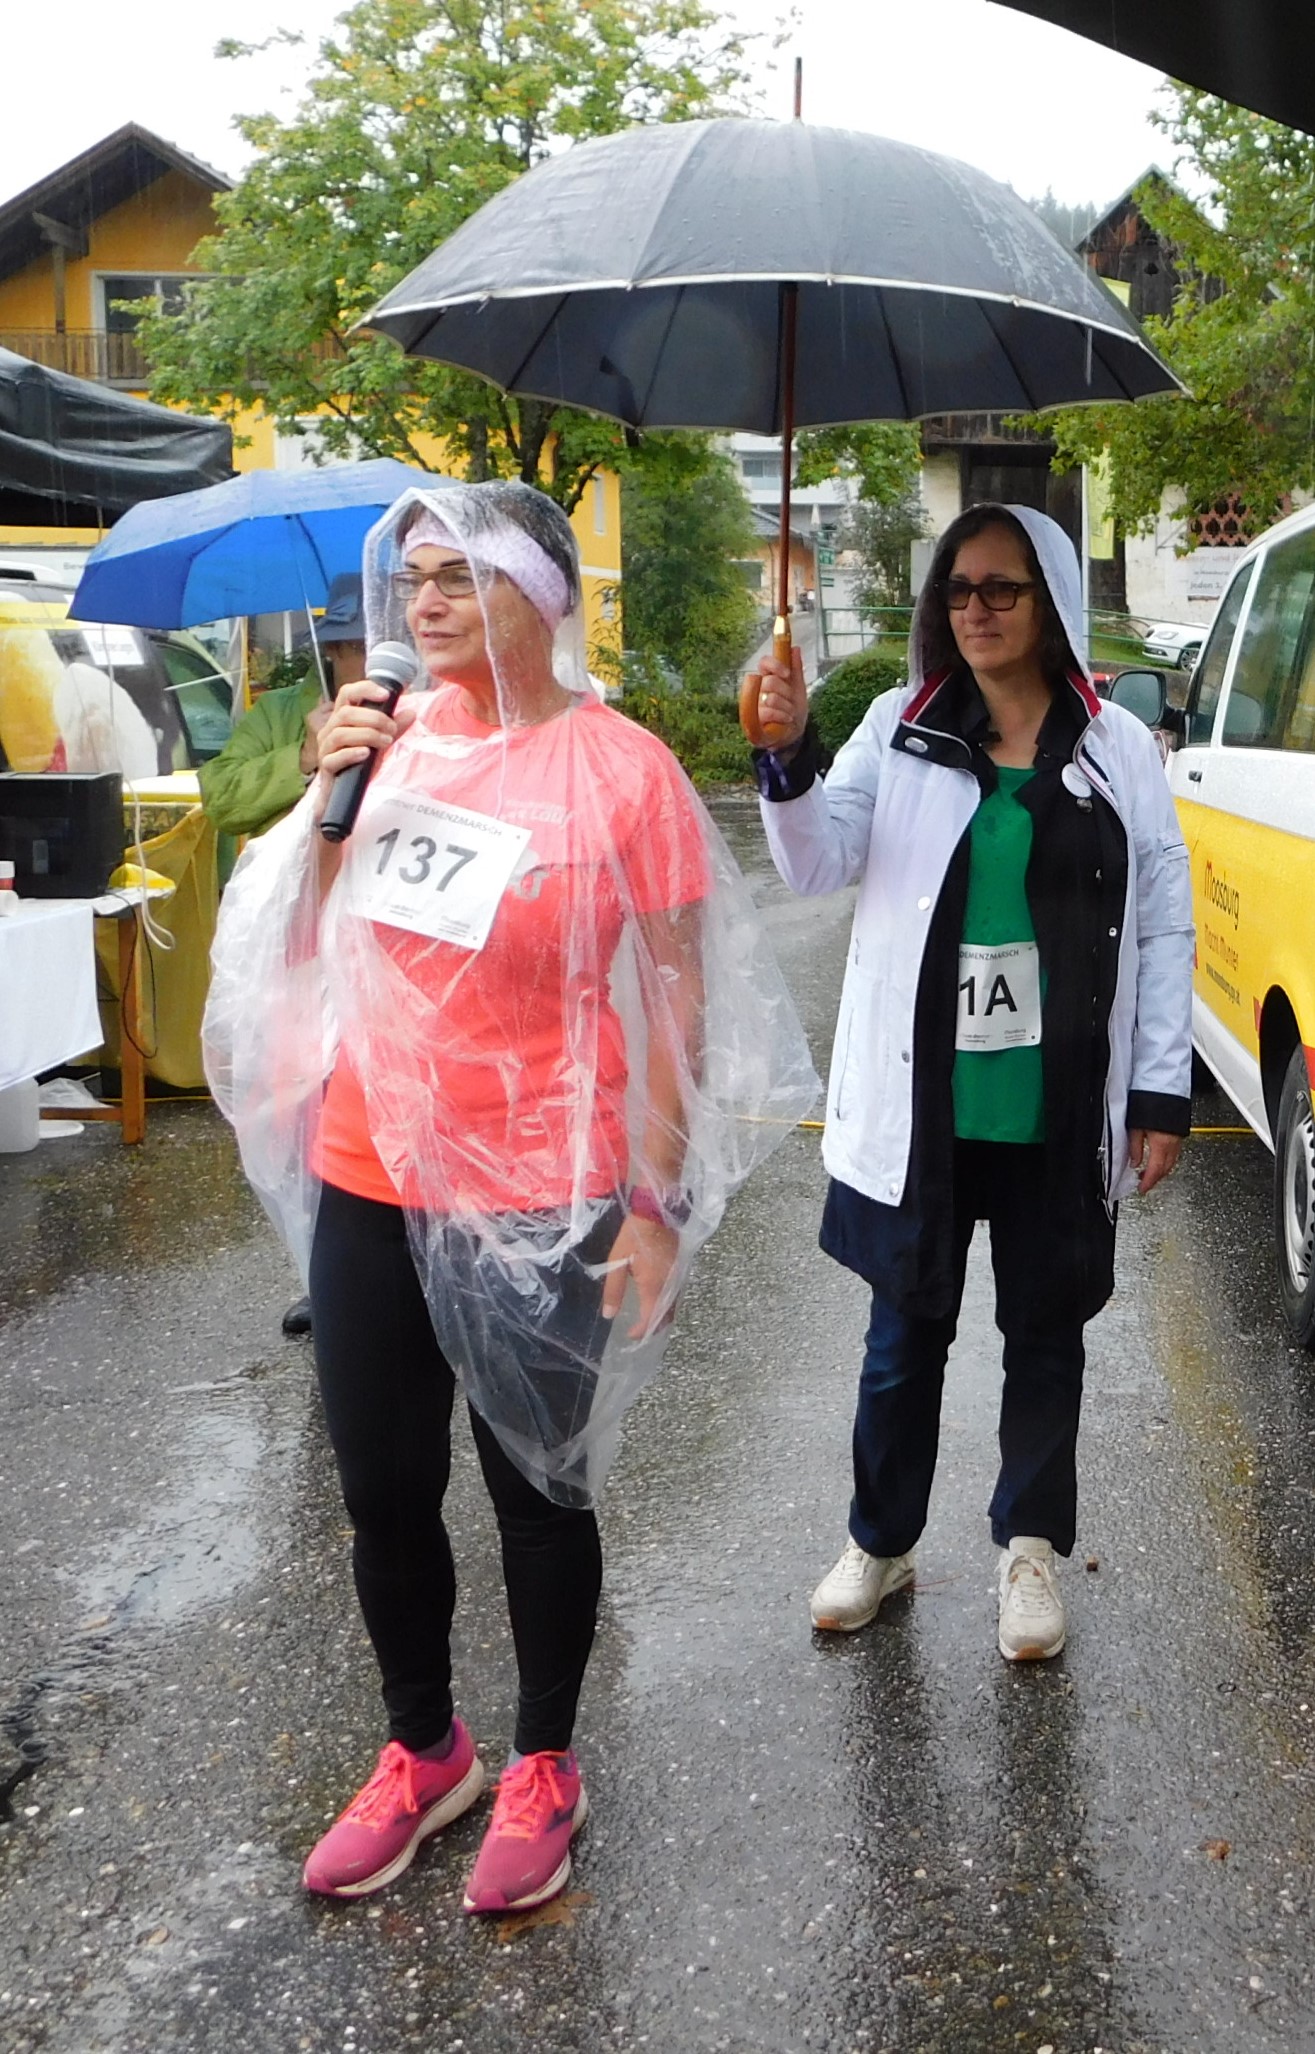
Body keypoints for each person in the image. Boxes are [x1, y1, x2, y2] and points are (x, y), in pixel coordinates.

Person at [202, 481, 815, 1911]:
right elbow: (299, 938)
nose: (420, 603)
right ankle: (424, 1748)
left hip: (548, 1180)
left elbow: (677, 999)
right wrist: (321, 808)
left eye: (456, 577)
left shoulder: (623, 772)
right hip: (370, 1166)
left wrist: (656, 1203)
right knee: (379, 1489)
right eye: (410, 578)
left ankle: (543, 1758)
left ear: (535, 596)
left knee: (536, 1487)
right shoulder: (386, 745)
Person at [746, 503, 1193, 1662]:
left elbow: (1161, 921)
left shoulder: (1116, 748)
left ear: (1050, 600)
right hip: (927, 1104)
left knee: (1045, 1331)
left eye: (1002, 587)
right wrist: (784, 757)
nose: (976, 608)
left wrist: (1157, 1092)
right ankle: (879, 1540)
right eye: (957, 588)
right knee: (904, 1334)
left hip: (1056, 1098)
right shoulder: (898, 727)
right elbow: (815, 861)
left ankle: (1028, 1547)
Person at [199, 572, 367, 1337]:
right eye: (345, 642)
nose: (357, 655)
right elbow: (224, 797)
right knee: (301, 1111)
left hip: (376, 936)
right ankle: (323, 1274)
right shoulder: (280, 712)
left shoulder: (432, 710)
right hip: (292, 942)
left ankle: (388, 1277)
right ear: (327, 646)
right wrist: (304, 755)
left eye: (371, 639)